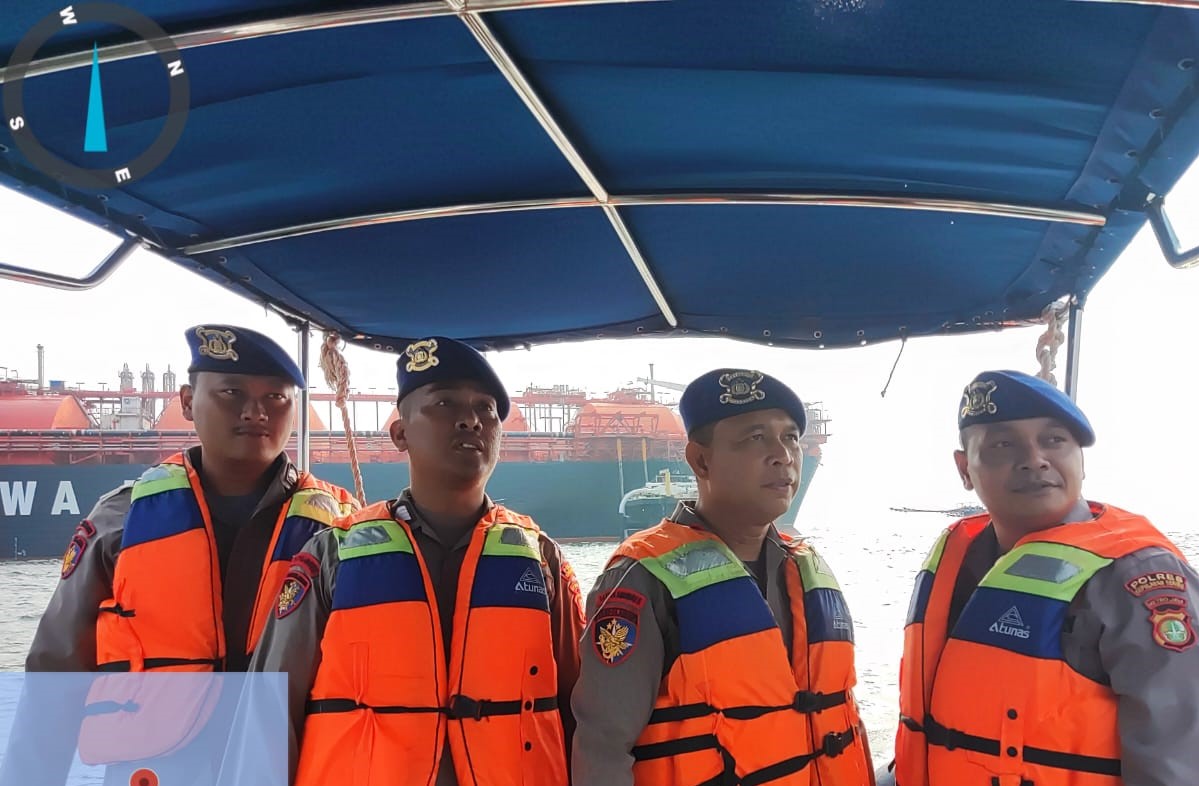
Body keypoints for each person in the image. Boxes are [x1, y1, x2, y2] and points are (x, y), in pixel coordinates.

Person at [8, 324, 357, 785]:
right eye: (232, 393)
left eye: (276, 397)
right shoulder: (120, 521)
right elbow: (56, 670)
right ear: (188, 402)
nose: (255, 412)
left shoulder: (342, 529)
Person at [250, 336, 586, 786]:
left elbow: (582, 713)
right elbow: (267, 715)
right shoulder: (334, 556)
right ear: (400, 434)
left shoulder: (541, 561)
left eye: (486, 409)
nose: (471, 420)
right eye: (445, 403)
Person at [889, 369, 1199, 786]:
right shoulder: (959, 558)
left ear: (1081, 461)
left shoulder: (1135, 576)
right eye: (1003, 444)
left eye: (1054, 440)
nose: (1034, 459)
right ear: (964, 469)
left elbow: (1178, 764)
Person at [572, 368, 876, 786]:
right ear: (701, 460)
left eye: (791, 437)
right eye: (756, 437)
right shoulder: (643, 577)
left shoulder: (808, 570)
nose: (783, 455)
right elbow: (602, 748)